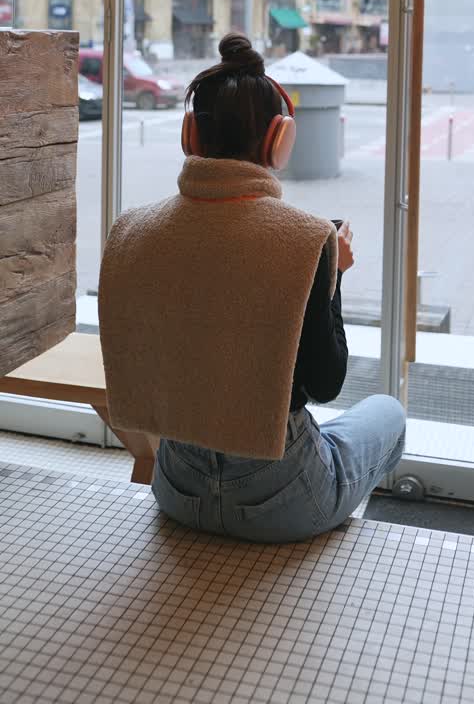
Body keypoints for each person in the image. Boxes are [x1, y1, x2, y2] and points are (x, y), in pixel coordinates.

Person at [99, 31, 405, 544]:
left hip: (175, 488)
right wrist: (331, 277)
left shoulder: (130, 229)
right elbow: (325, 383)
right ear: (279, 140)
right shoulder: (306, 239)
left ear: (190, 135)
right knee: (388, 413)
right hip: (284, 499)